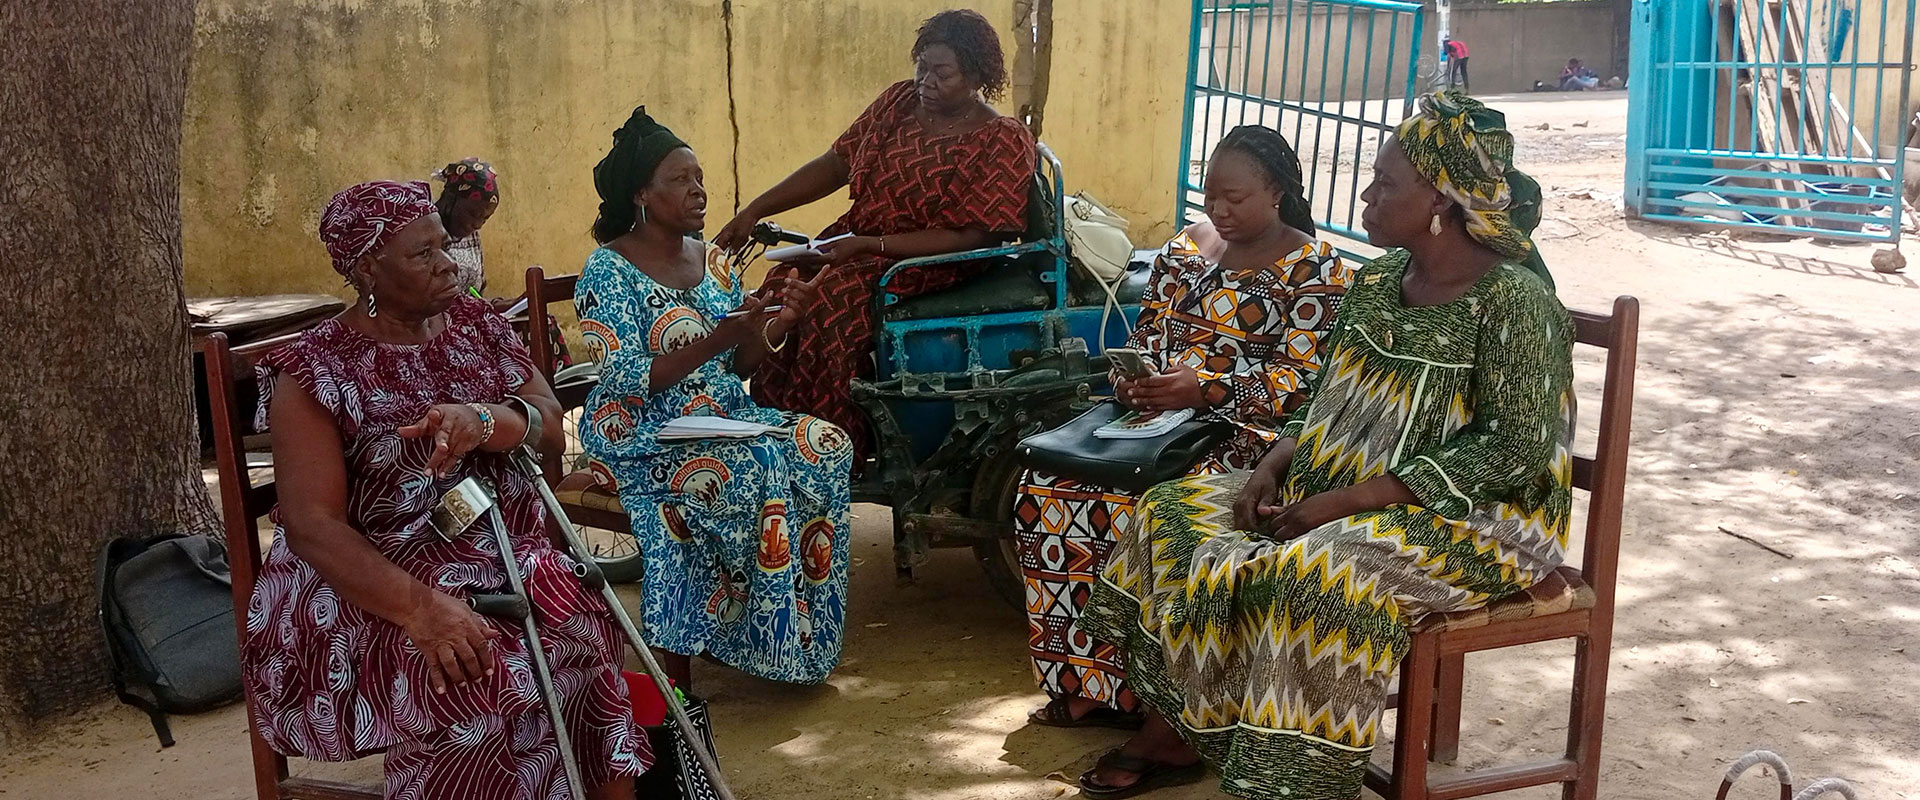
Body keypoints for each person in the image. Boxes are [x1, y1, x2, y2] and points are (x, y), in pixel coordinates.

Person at [1074, 91, 1575, 800]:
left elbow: (1515, 451)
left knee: (1317, 578)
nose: (1366, 198)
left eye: (1384, 184)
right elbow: (1317, 396)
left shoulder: (1515, 302)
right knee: (1172, 514)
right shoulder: (1375, 282)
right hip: (1339, 481)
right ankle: (1183, 728)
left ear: (1441, 200)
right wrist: (1273, 466)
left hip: (1477, 517)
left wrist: (1344, 502)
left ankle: (1293, 781)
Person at [242, 180, 647, 799]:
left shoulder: (472, 321)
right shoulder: (314, 370)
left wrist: (487, 420)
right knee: (477, 662)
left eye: (444, 245)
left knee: (584, 621)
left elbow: (545, 425)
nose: (448, 264)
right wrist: (422, 611)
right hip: (378, 577)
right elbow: (311, 525)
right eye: (422, 253)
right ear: (367, 268)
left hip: (503, 551)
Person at [1015, 126, 1353, 731]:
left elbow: (1302, 385)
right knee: (1045, 489)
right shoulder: (1185, 248)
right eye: (1210, 196)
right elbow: (1146, 336)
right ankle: (1088, 679)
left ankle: (1158, 702)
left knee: (1146, 508)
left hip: (1241, 438)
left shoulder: (1315, 270)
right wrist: (1136, 381)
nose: (1219, 210)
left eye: (1236, 198)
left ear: (1275, 191)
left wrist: (1207, 390)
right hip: (1151, 423)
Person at [575, 106, 853, 690]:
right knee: (754, 470)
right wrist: (717, 339)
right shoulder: (607, 270)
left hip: (724, 417)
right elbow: (626, 377)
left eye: (699, 177)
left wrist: (776, 323)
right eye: (680, 179)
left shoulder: (715, 261)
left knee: (826, 445)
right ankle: (743, 633)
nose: (698, 191)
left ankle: (788, 635)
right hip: (642, 429)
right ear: (642, 194)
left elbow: (740, 363)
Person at [714, 8, 1038, 462]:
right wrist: (755, 209)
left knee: (829, 306)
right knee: (784, 285)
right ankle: (773, 439)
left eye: (942, 72)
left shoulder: (1000, 138)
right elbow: (835, 165)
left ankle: (831, 452)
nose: (926, 80)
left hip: (932, 258)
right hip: (861, 238)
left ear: (977, 75)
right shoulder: (898, 103)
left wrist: (869, 246)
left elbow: (973, 237)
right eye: (922, 65)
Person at [432, 156, 574, 371]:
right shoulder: (429, 233)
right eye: (473, 214)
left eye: (485, 219)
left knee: (542, 323)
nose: (477, 224)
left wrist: (515, 303)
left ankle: (554, 396)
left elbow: (476, 294)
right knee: (518, 336)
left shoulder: (470, 236)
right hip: (440, 326)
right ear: (451, 199)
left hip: (474, 317)